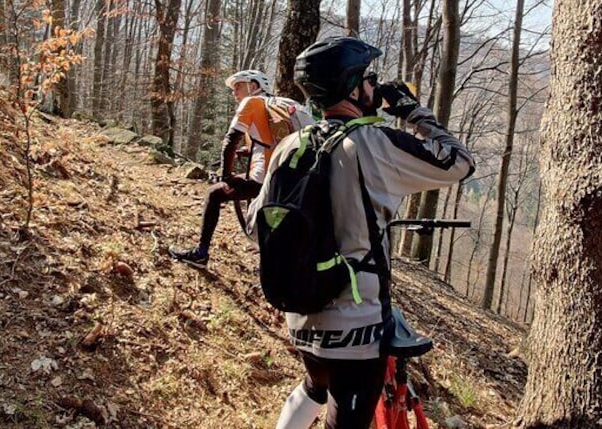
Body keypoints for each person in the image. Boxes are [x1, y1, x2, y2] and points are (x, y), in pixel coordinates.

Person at [248, 37, 475, 429]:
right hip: (357, 325)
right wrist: (412, 111)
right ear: (353, 88)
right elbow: (459, 163)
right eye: (368, 78)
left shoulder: (291, 144)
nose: (375, 85)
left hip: (301, 313)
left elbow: (257, 226)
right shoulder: (375, 143)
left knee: (313, 386)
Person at [169, 69, 297, 268]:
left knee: (214, 193)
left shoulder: (252, 102)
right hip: (287, 178)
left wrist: (225, 176)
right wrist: (248, 151)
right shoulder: (278, 106)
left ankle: (201, 253)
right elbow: (270, 142)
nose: (234, 92)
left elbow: (230, 140)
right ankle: (272, 265)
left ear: (253, 86)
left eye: (238, 86)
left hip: (262, 178)